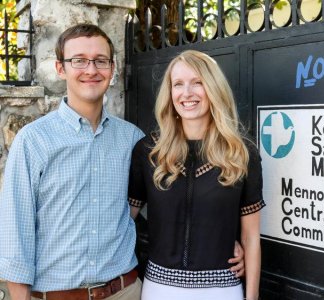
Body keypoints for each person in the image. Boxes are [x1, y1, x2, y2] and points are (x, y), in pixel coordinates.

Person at [0, 24, 145, 300]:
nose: (91, 70)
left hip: (124, 292)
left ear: (112, 69)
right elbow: (15, 235)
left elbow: (170, 201)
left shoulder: (132, 139)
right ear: (60, 68)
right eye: (78, 60)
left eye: (100, 61)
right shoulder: (33, 141)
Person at [129, 50, 265, 300]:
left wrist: (252, 296)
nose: (187, 93)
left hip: (222, 290)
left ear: (214, 88)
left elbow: (251, 236)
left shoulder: (241, 153)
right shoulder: (149, 152)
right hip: (159, 289)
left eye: (198, 82)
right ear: (169, 94)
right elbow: (126, 220)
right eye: (178, 84)